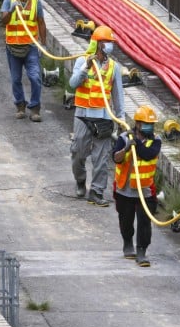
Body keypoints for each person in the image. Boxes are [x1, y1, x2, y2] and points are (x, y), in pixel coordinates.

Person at [68, 25, 125, 207]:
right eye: (106, 42)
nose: (109, 45)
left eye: (110, 42)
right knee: (78, 151)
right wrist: (86, 67)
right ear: (98, 43)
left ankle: (97, 191)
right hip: (83, 114)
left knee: (101, 157)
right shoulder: (82, 61)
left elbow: (118, 95)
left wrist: (121, 118)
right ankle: (80, 179)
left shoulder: (114, 67)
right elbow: (73, 83)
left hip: (104, 117)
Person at [112, 105, 162, 266]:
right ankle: (127, 243)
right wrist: (127, 147)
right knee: (125, 220)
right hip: (124, 190)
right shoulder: (124, 138)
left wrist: (136, 143)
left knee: (144, 223)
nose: (150, 127)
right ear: (138, 124)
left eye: (152, 124)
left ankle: (141, 251)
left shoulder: (156, 141)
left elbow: (148, 155)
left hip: (145, 191)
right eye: (147, 124)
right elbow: (116, 158)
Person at [0, 0, 45, 122]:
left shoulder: (36, 3)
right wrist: (12, 10)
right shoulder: (8, 0)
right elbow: (3, 21)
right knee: (15, 79)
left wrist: (43, 45)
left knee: (35, 77)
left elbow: (41, 22)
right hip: (13, 47)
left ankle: (35, 108)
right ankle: (20, 105)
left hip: (30, 47)